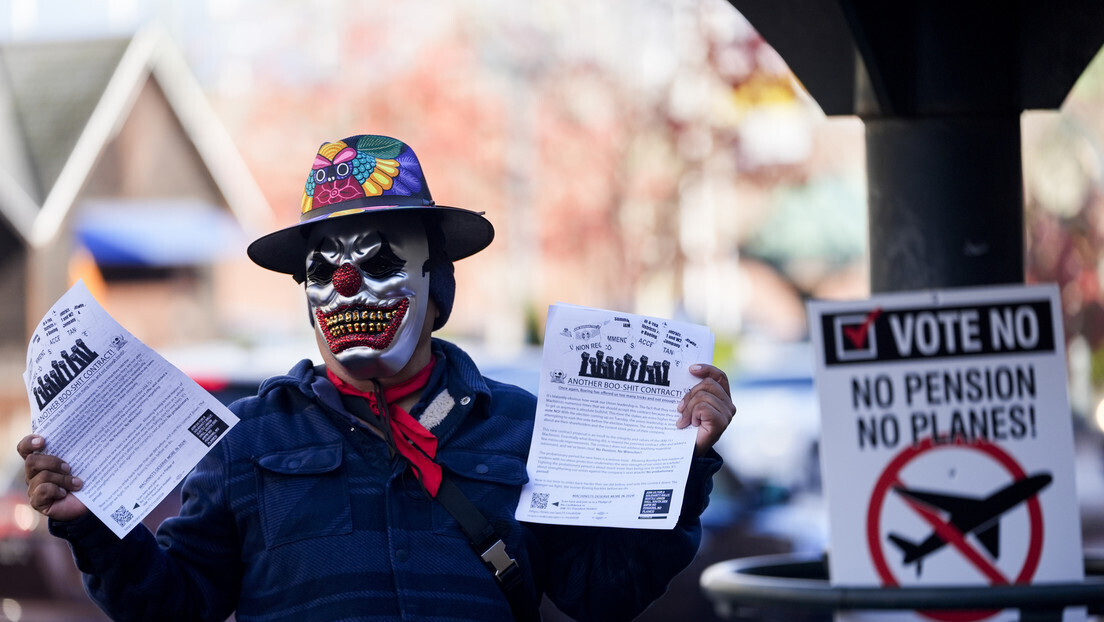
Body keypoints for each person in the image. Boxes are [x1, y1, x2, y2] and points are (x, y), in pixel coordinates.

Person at [18, 134, 735, 622]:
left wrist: (683, 464)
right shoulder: (249, 442)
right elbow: (175, 605)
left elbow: (600, 592)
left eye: (381, 263)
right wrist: (92, 526)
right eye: (323, 271)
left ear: (438, 287)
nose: (349, 289)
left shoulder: (521, 427)